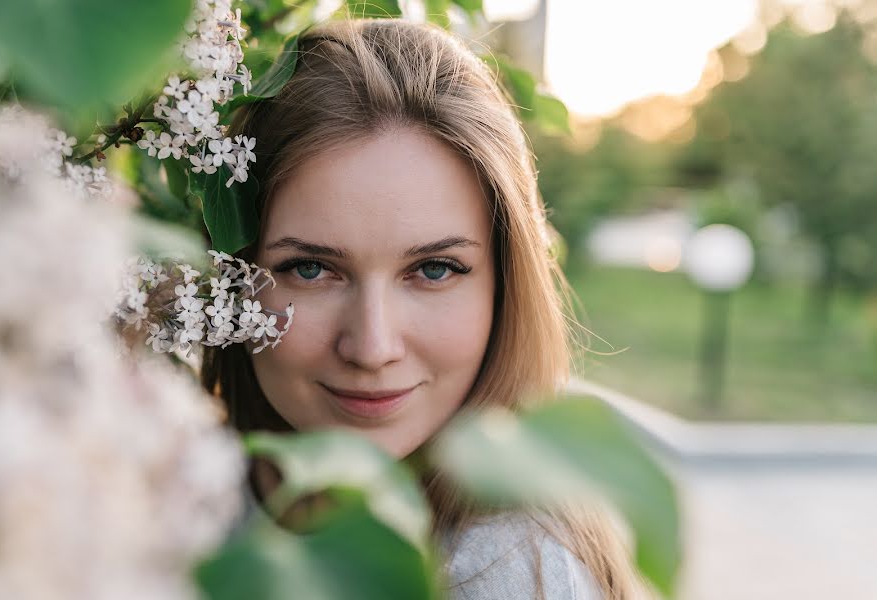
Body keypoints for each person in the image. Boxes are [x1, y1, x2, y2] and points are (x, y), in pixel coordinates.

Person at [201, 16, 648, 599]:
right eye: (310, 268)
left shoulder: (505, 573)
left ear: (504, 286)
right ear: (231, 275)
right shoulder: (159, 495)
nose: (372, 346)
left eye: (434, 270)